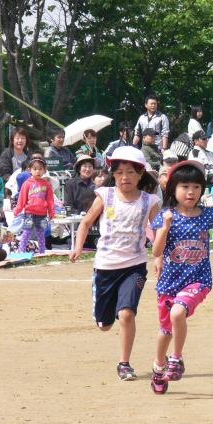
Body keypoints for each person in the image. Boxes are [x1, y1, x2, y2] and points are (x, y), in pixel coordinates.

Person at [69, 147, 160, 380]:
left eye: (130, 172)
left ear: (140, 174)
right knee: (105, 325)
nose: (125, 177)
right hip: (105, 268)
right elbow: (86, 223)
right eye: (119, 172)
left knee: (127, 314)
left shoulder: (150, 201)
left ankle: (125, 363)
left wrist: (159, 257)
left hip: (134, 266)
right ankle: (104, 316)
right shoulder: (105, 195)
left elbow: (158, 232)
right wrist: (78, 246)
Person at [149, 160, 213, 394]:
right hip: (169, 283)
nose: (191, 192)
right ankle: (159, 366)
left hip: (198, 280)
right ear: (173, 189)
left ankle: (176, 359)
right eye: (185, 186)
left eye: (196, 187)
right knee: (165, 331)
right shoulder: (165, 216)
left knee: (178, 311)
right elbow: (156, 251)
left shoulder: (207, 214)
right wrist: (165, 228)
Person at [13, 156, 55, 254]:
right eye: (35, 169)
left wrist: (51, 212)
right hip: (29, 214)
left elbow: (50, 200)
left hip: (42, 214)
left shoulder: (47, 184)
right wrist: (17, 210)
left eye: (40, 169)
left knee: (41, 233)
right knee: (26, 232)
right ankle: (21, 252)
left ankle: (42, 252)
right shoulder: (27, 184)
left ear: (45, 170)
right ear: (29, 170)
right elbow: (22, 198)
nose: (38, 171)